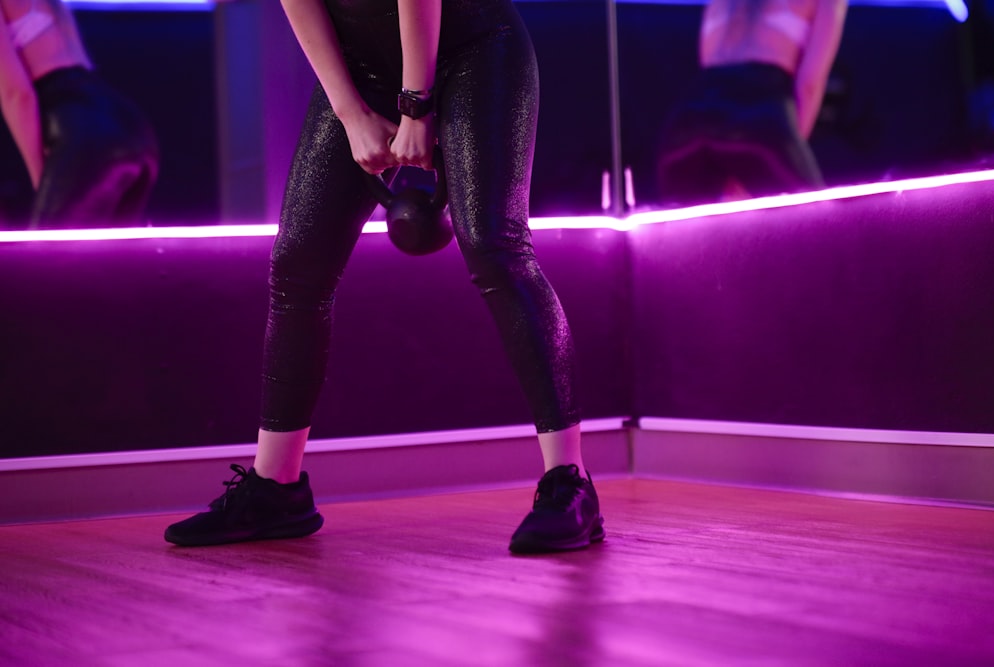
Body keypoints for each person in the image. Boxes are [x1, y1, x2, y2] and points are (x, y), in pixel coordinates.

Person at [164, 0, 605, 554]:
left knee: (496, 247)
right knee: (298, 265)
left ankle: (571, 484)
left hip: (474, 49)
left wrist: (417, 110)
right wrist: (350, 113)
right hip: (363, 68)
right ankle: (276, 489)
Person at [656, 0, 847, 206]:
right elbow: (809, 84)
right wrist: (791, 150)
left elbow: (707, 59)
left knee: (686, 235)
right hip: (758, 113)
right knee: (820, 227)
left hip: (688, 118)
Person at [0, 0, 158, 228]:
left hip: (82, 131)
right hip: (128, 124)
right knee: (116, 262)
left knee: (44, 259)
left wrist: (41, 179)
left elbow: (16, 95)